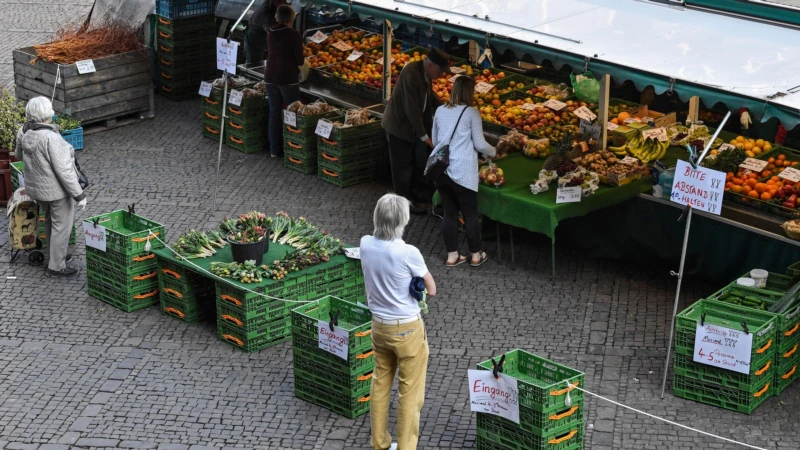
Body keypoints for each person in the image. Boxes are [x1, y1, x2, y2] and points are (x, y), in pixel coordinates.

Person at [360, 194, 437, 450]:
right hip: (407, 328)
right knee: (409, 392)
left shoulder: (365, 244)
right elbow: (432, 288)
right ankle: (405, 447)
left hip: (379, 326)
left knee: (380, 383)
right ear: (402, 221)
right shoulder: (408, 252)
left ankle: (380, 443)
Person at [16, 97, 86, 277]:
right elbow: (64, 171)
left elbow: (19, 157)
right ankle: (56, 266)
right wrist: (79, 195)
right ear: (48, 114)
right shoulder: (51, 138)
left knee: (49, 221)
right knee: (61, 226)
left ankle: (56, 255)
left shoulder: (23, 131)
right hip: (56, 191)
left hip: (36, 189)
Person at [431, 76, 494, 267]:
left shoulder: (440, 110)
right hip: (463, 172)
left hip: (441, 170)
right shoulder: (471, 113)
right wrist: (494, 151)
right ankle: (475, 255)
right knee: (470, 214)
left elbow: (435, 140)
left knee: (449, 213)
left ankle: (452, 256)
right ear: (470, 92)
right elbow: (480, 143)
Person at [382, 49, 452, 215]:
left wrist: (447, 107)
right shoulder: (411, 74)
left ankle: (410, 194)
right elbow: (411, 109)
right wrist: (424, 136)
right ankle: (403, 204)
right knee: (402, 167)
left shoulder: (425, 73)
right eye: (440, 70)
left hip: (410, 129)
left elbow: (429, 96)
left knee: (411, 163)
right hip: (399, 127)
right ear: (430, 64)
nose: (442, 74)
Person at [264, 4, 303, 158]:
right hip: (287, 77)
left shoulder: (270, 32)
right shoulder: (294, 34)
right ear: (290, 19)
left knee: (274, 112)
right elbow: (299, 59)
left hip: (270, 76)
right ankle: (292, 149)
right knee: (292, 112)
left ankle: (274, 149)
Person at [245, 0, 287, 64]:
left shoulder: (275, 6)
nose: (287, 5)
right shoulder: (267, 13)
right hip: (255, 36)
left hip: (263, 33)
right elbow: (273, 35)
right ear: (277, 2)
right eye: (285, 3)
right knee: (253, 63)